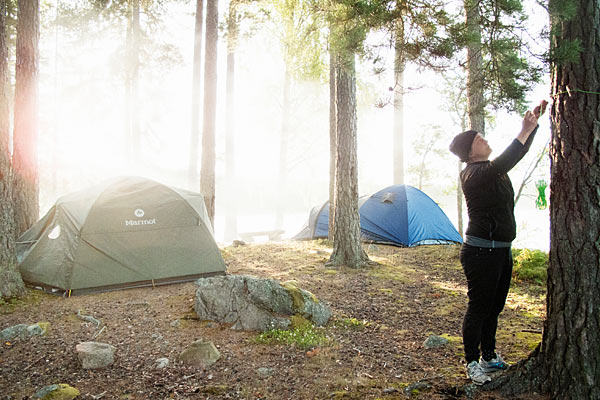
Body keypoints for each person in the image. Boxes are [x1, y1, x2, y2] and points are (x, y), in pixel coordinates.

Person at [448, 100, 548, 385]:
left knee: (495, 307)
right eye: (478, 139)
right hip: (480, 251)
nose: (484, 139)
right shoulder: (474, 174)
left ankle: (489, 356)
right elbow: (509, 158)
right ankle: (472, 362)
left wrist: (534, 125)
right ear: (469, 152)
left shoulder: (492, 170)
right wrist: (523, 129)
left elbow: (519, 152)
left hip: (501, 250)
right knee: (479, 307)